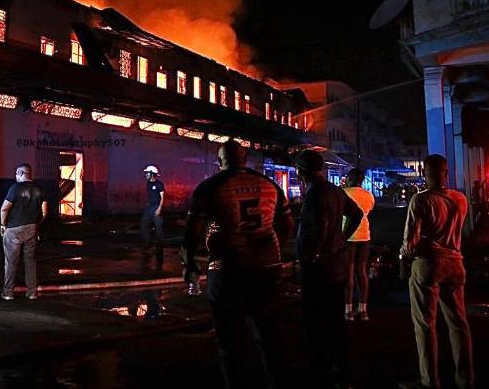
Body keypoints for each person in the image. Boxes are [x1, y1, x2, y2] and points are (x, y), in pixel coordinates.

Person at [181, 139, 293, 388]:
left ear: (219, 161)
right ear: (245, 159)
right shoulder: (270, 184)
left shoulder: (210, 188)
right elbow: (287, 224)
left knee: (230, 342)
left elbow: (191, 234)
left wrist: (189, 264)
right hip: (267, 269)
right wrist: (273, 249)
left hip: (228, 269)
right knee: (270, 335)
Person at [399, 154, 474, 389]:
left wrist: (404, 257)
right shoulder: (460, 199)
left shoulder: (420, 200)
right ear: (446, 172)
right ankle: (465, 379)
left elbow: (410, 240)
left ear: (425, 173)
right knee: (458, 324)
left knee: (425, 324)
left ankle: (430, 380)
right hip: (455, 263)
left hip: (429, 264)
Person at [295, 149, 363, 388]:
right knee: (335, 320)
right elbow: (357, 214)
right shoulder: (336, 191)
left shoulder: (314, 195)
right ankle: (342, 370)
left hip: (320, 268)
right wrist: (343, 238)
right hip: (338, 265)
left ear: (300, 172)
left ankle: (320, 373)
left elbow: (321, 224)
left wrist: (314, 252)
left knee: (316, 322)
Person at [0, 163, 48, 300]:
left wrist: (3, 224)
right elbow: (45, 212)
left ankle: (8, 293)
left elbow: (4, 208)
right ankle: (32, 292)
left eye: (16, 173)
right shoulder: (40, 189)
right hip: (32, 228)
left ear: (21, 173)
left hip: (14, 229)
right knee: (30, 261)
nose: (15, 176)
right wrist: (36, 224)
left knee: (11, 261)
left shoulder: (15, 188)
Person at [343, 168, 375, 321]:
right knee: (362, 271)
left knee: (348, 271)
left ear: (349, 178)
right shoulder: (368, 195)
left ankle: (348, 310)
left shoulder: (343, 193)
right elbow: (369, 211)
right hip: (364, 236)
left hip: (348, 237)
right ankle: (363, 309)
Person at [140, 165, 165, 262]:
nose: (146, 174)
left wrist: (159, 209)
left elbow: (162, 197)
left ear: (152, 174)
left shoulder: (159, 184)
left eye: (147, 173)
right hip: (149, 207)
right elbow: (151, 195)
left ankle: (159, 249)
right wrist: (148, 205)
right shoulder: (148, 184)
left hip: (156, 207)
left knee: (158, 228)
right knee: (143, 225)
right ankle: (147, 245)